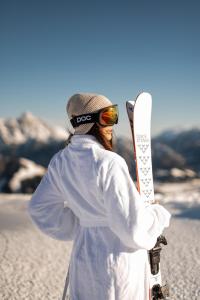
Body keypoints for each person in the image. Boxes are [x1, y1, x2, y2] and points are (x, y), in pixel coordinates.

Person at [28, 93, 171, 300]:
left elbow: (39, 207)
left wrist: (81, 223)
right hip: (117, 263)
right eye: (107, 116)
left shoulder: (60, 161)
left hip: (83, 258)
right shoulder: (109, 162)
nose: (113, 123)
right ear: (88, 121)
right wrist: (157, 215)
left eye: (114, 114)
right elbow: (134, 229)